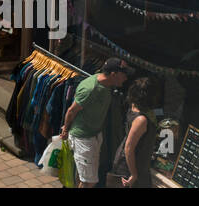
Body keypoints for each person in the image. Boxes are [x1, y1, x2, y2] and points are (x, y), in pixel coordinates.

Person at [60, 57, 129, 188]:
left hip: (95, 136)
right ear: (113, 74)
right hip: (83, 139)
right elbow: (71, 111)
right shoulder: (90, 88)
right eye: (123, 74)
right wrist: (65, 129)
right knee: (89, 181)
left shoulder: (107, 84)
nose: (126, 78)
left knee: (84, 177)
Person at [109, 77, 157, 188]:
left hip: (133, 166)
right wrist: (134, 175)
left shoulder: (133, 107)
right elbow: (129, 148)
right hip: (129, 169)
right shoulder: (141, 120)